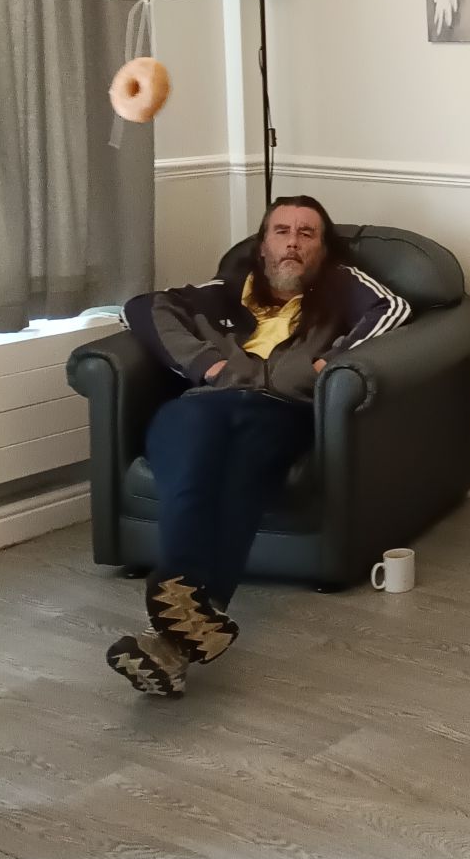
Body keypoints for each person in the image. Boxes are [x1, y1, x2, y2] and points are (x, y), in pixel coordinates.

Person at [107, 195, 411, 696]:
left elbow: (394, 308)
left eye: (307, 233)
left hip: (279, 412)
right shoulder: (225, 291)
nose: (293, 242)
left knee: (241, 478)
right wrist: (206, 364)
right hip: (202, 405)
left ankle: (174, 618)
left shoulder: (341, 286)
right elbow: (139, 308)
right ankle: (189, 624)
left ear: (323, 248)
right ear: (262, 244)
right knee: (194, 472)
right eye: (281, 231)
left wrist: (327, 362)